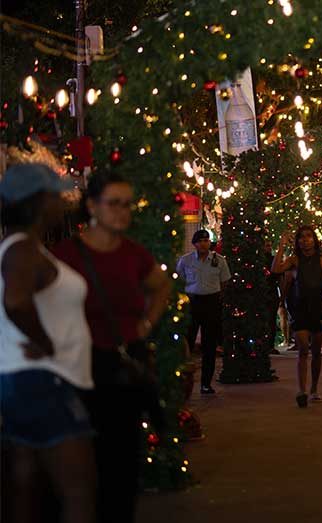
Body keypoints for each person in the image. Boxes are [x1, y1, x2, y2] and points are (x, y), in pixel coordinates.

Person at [54, 170, 170, 523]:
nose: (122, 212)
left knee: (122, 467)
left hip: (122, 367)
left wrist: (145, 323)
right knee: (85, 467)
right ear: (92, 206)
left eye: (127, 204)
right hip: (80, 368)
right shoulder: (66, 256)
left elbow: (162, 286)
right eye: (114, 203)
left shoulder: (134, 254)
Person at [0, 164, 96, 523]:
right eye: (57, 194)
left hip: (24, 381)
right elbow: (16, 301)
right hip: (43, 381)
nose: (64, 201)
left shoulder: (18, 246)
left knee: (27, 487)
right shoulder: (22, 249)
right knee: (78, 489)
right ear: (38, 201)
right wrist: (46, 343)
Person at [272, 226, 322, 407]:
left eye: (308, 237)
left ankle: (313, 388)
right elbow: (275, 269)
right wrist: (281, 246)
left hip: (318, 308)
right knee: (303, 348)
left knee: (316, 352)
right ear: (297, 241)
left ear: (314, 239)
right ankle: (301, 390)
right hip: (300, 308)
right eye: (301, 237)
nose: (305, 240)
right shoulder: (295, 259)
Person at [176, 230, 231, 394]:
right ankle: (182, 382)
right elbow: (178, 280)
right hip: (192, 302)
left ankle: (206, 384)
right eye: (200, 241)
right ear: (194, 244)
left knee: (209, 345)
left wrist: (217, 298)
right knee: (187, 343)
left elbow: (224, 282)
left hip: (211, 303)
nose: (204, 243)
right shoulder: (185, 260)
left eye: (206, 240)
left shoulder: (219, 260)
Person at [263, 239, 281, 355]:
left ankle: (270, 344)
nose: (268, 248)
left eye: (269, 245)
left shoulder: (273, 260)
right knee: (266, 319)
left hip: (272, 291)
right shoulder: (259, 261)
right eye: (266, 245)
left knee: (271, 319)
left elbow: (280, 277)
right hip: (263, 292)